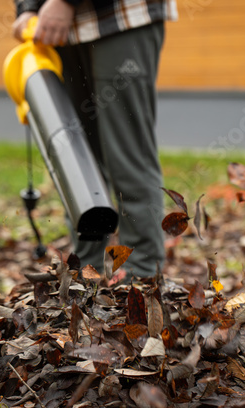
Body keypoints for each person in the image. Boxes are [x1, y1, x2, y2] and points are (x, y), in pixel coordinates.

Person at [13, 0, 177, 279]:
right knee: (76, 158)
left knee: (127, 154)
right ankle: (86, 275)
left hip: (120, 17)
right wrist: (28, 6)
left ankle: (142, 277)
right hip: (58, 29)